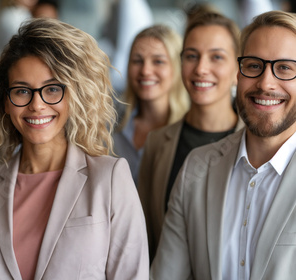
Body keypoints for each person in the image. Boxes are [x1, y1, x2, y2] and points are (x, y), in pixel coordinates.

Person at [0, 18, 148, 280]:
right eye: (21, 91)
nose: (37, 105)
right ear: (5, 101)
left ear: (73, 96)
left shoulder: (109, 178)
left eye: (52, 89)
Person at [151, 10, 296, 279]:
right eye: (253, 65)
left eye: (285, 68)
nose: (266, 83)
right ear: (237, 75)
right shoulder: (196, 168)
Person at [138, 12, 245, 261]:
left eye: (216, 57)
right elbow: (146, 237)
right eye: (191, 56)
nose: (201, 69)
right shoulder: (157, 142)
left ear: (237, 70)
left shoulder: (256, 144)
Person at [113, 25, 189, 185]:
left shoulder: (189, 130)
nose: (146, 70)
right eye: (137, 61)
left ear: (177, 67)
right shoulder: (109, 124)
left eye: (158, 61)